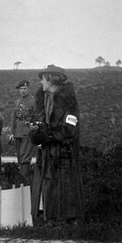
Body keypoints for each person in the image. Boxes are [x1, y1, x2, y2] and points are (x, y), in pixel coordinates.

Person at [29, 64, 84, 224]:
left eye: (43, 79)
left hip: (63, 152)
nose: (41, 83)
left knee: (64, 185)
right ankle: (50, 218)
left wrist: (50, 134)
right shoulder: (45, 99)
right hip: (48, 152)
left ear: (51, 80)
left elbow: (70, 128)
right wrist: (36, 132)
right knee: (48, 185)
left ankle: (66, 220)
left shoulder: (69, 102)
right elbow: (39, 122)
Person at [9, 79, 37, 183]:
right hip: (18, 132)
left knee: (25, 157)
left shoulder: (33, 101)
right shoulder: (17, 102)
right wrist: (12, 132)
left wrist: (33, 129)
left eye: (25, 88)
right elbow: (14, 118)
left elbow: (36, 117)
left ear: (28, 89)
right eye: (21, 89)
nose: (23, 91)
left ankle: (24, 180)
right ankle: (22, 179)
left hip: (28, 131)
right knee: (20, 156)